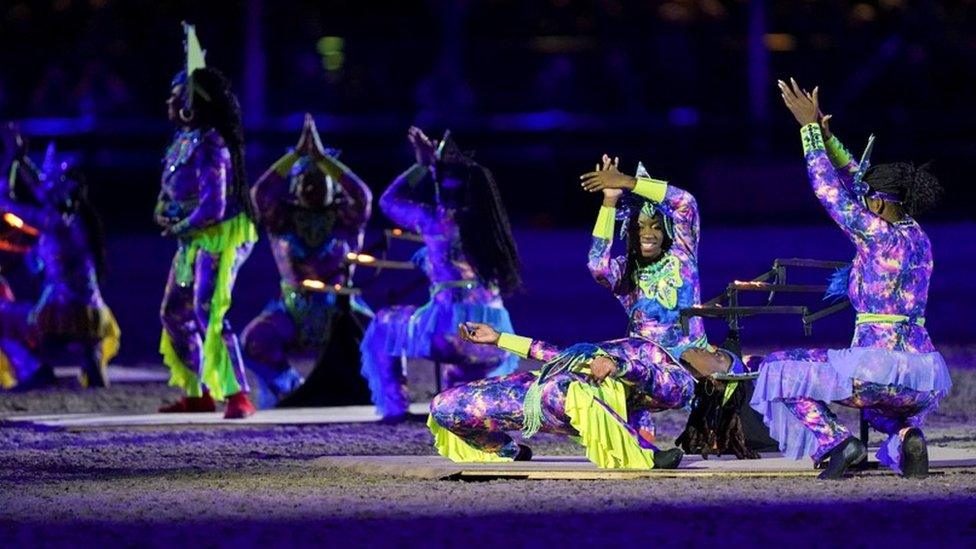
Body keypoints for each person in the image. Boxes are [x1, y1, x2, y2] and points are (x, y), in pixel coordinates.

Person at [427, 156, 718, 467]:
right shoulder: (627, 273)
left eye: (656, 226)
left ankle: (639, 449)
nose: (648, 232)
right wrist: (609, 203)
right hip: (576, 377)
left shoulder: (682, 257)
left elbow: (685, 203)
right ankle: (506, 450)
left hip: (613, 379)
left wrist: (628, 183)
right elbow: (596, 267)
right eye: (640, 225)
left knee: (584, 386)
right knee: (444, 406)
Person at [750, 79, 951, 479]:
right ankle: (907, 435)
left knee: (778, 369)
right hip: (921, 380)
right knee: (882, 409)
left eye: (868, 199)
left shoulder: (875, 235)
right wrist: (830, 139)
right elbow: (861, 180)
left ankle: (838, 443)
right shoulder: (918, 238)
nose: (862, 201)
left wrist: (808, 132)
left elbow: (830, 192)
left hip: (874, 370)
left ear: (877, 203)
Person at [360, 127, 521, 421]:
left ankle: (395, 408)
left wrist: (421, 166)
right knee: (457, 376)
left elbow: (388, 201)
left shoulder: (434, 220)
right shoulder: (491, 225)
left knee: (383, 323)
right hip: (497, 343)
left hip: (453, 336)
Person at [156, 24, 258, 418]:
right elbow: (171, 190)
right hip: (192, 236)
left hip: (218, 235)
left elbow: (214, 206)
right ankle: (197, 391)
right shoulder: (183, 140)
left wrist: (179, 226)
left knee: (208, 310)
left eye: (176, 94)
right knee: (174, 311)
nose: (169, 100)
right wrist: (163, 211)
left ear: (191, 102)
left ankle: (238, 395)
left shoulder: (213, 143)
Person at [242, 114, 373, 408]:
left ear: (333, 184)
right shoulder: (282, 221)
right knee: (255, 339)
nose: (312, 186)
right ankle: (291, 388)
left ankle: (377, 393)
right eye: (305, 179)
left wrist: (323, 158)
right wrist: (296, 156)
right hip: (293, 312)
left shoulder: (346, 220)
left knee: (381, 336)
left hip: (341, 313)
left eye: (320, 179)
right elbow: (259, 193)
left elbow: (363, 196)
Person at [0, 125, 120, 389]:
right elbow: (41, 185)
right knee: (88, 358)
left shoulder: (54, 222)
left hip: (62, 313)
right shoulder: (71, 218)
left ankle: (34, 371)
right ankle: (90, 367)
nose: (44, 186)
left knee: (4, 318)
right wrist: (21, 159)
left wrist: (11, 160)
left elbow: (5, 202)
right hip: (89, 314)